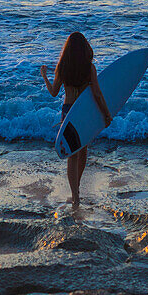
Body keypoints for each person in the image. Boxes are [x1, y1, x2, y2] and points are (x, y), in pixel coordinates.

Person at [40, 32, 112, 208]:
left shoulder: (62, 67)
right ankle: (76, 190)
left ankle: (75, 196)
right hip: (83, 112)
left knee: (72, 155)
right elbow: (97, 94)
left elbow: (54, 92)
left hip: (68, 112)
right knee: (83, 150)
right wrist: (106, 114)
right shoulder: (89, 68)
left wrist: (44, 76)